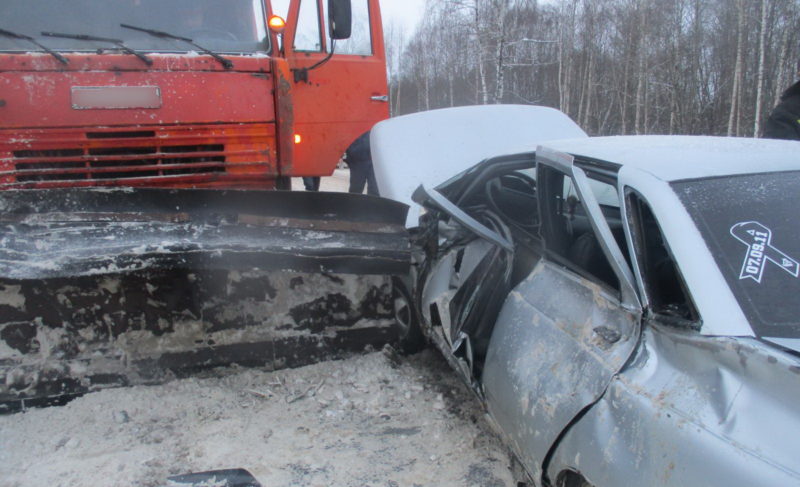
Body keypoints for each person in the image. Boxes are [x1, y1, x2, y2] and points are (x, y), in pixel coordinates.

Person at [345, 131, 379, 196]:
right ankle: (353, 205)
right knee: (356, 189)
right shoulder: (354, 125)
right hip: (357, 161)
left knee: (374, 189)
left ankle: (372, 205)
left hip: (374, 162)